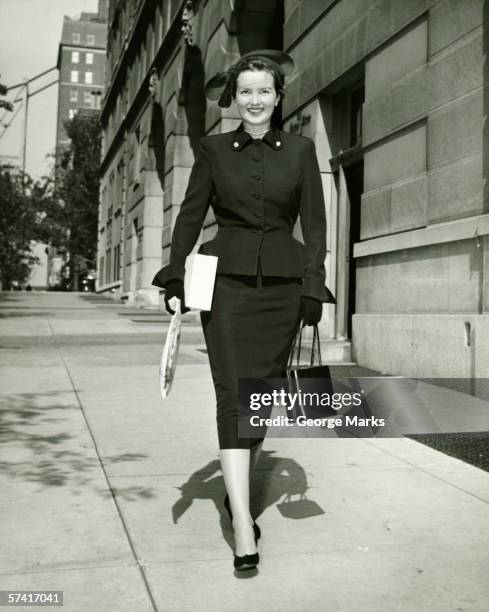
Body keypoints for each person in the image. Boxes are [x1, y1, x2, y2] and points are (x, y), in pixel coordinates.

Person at [151, 49, 335, 572]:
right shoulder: (212, 150)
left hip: (282, 289)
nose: (255, 101)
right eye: (246, 92)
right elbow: (188, 217)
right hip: (225, 288)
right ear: (234, 98)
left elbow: (316, 227)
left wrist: (312, 286)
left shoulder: (300, 151)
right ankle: (243, 530)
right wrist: (174, 274)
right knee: (234, 395)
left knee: (261, 398)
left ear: (278, 99)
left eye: (265, 92)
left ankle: (237, 499)